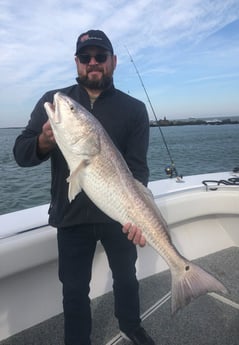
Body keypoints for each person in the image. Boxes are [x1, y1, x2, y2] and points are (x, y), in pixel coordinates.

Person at [13, 29, 155, 345]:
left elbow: (138, 169)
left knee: (127, 279)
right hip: (71, 217)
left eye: (100, 56)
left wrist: (138, 216)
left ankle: (132, 326)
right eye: (85, 57)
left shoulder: (134, 109)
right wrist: (45, 140)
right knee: (75, 289)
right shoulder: (56, 102)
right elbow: (21, 153)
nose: (93, 62)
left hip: (119, 215)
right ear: (76, 62)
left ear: (113, 61)